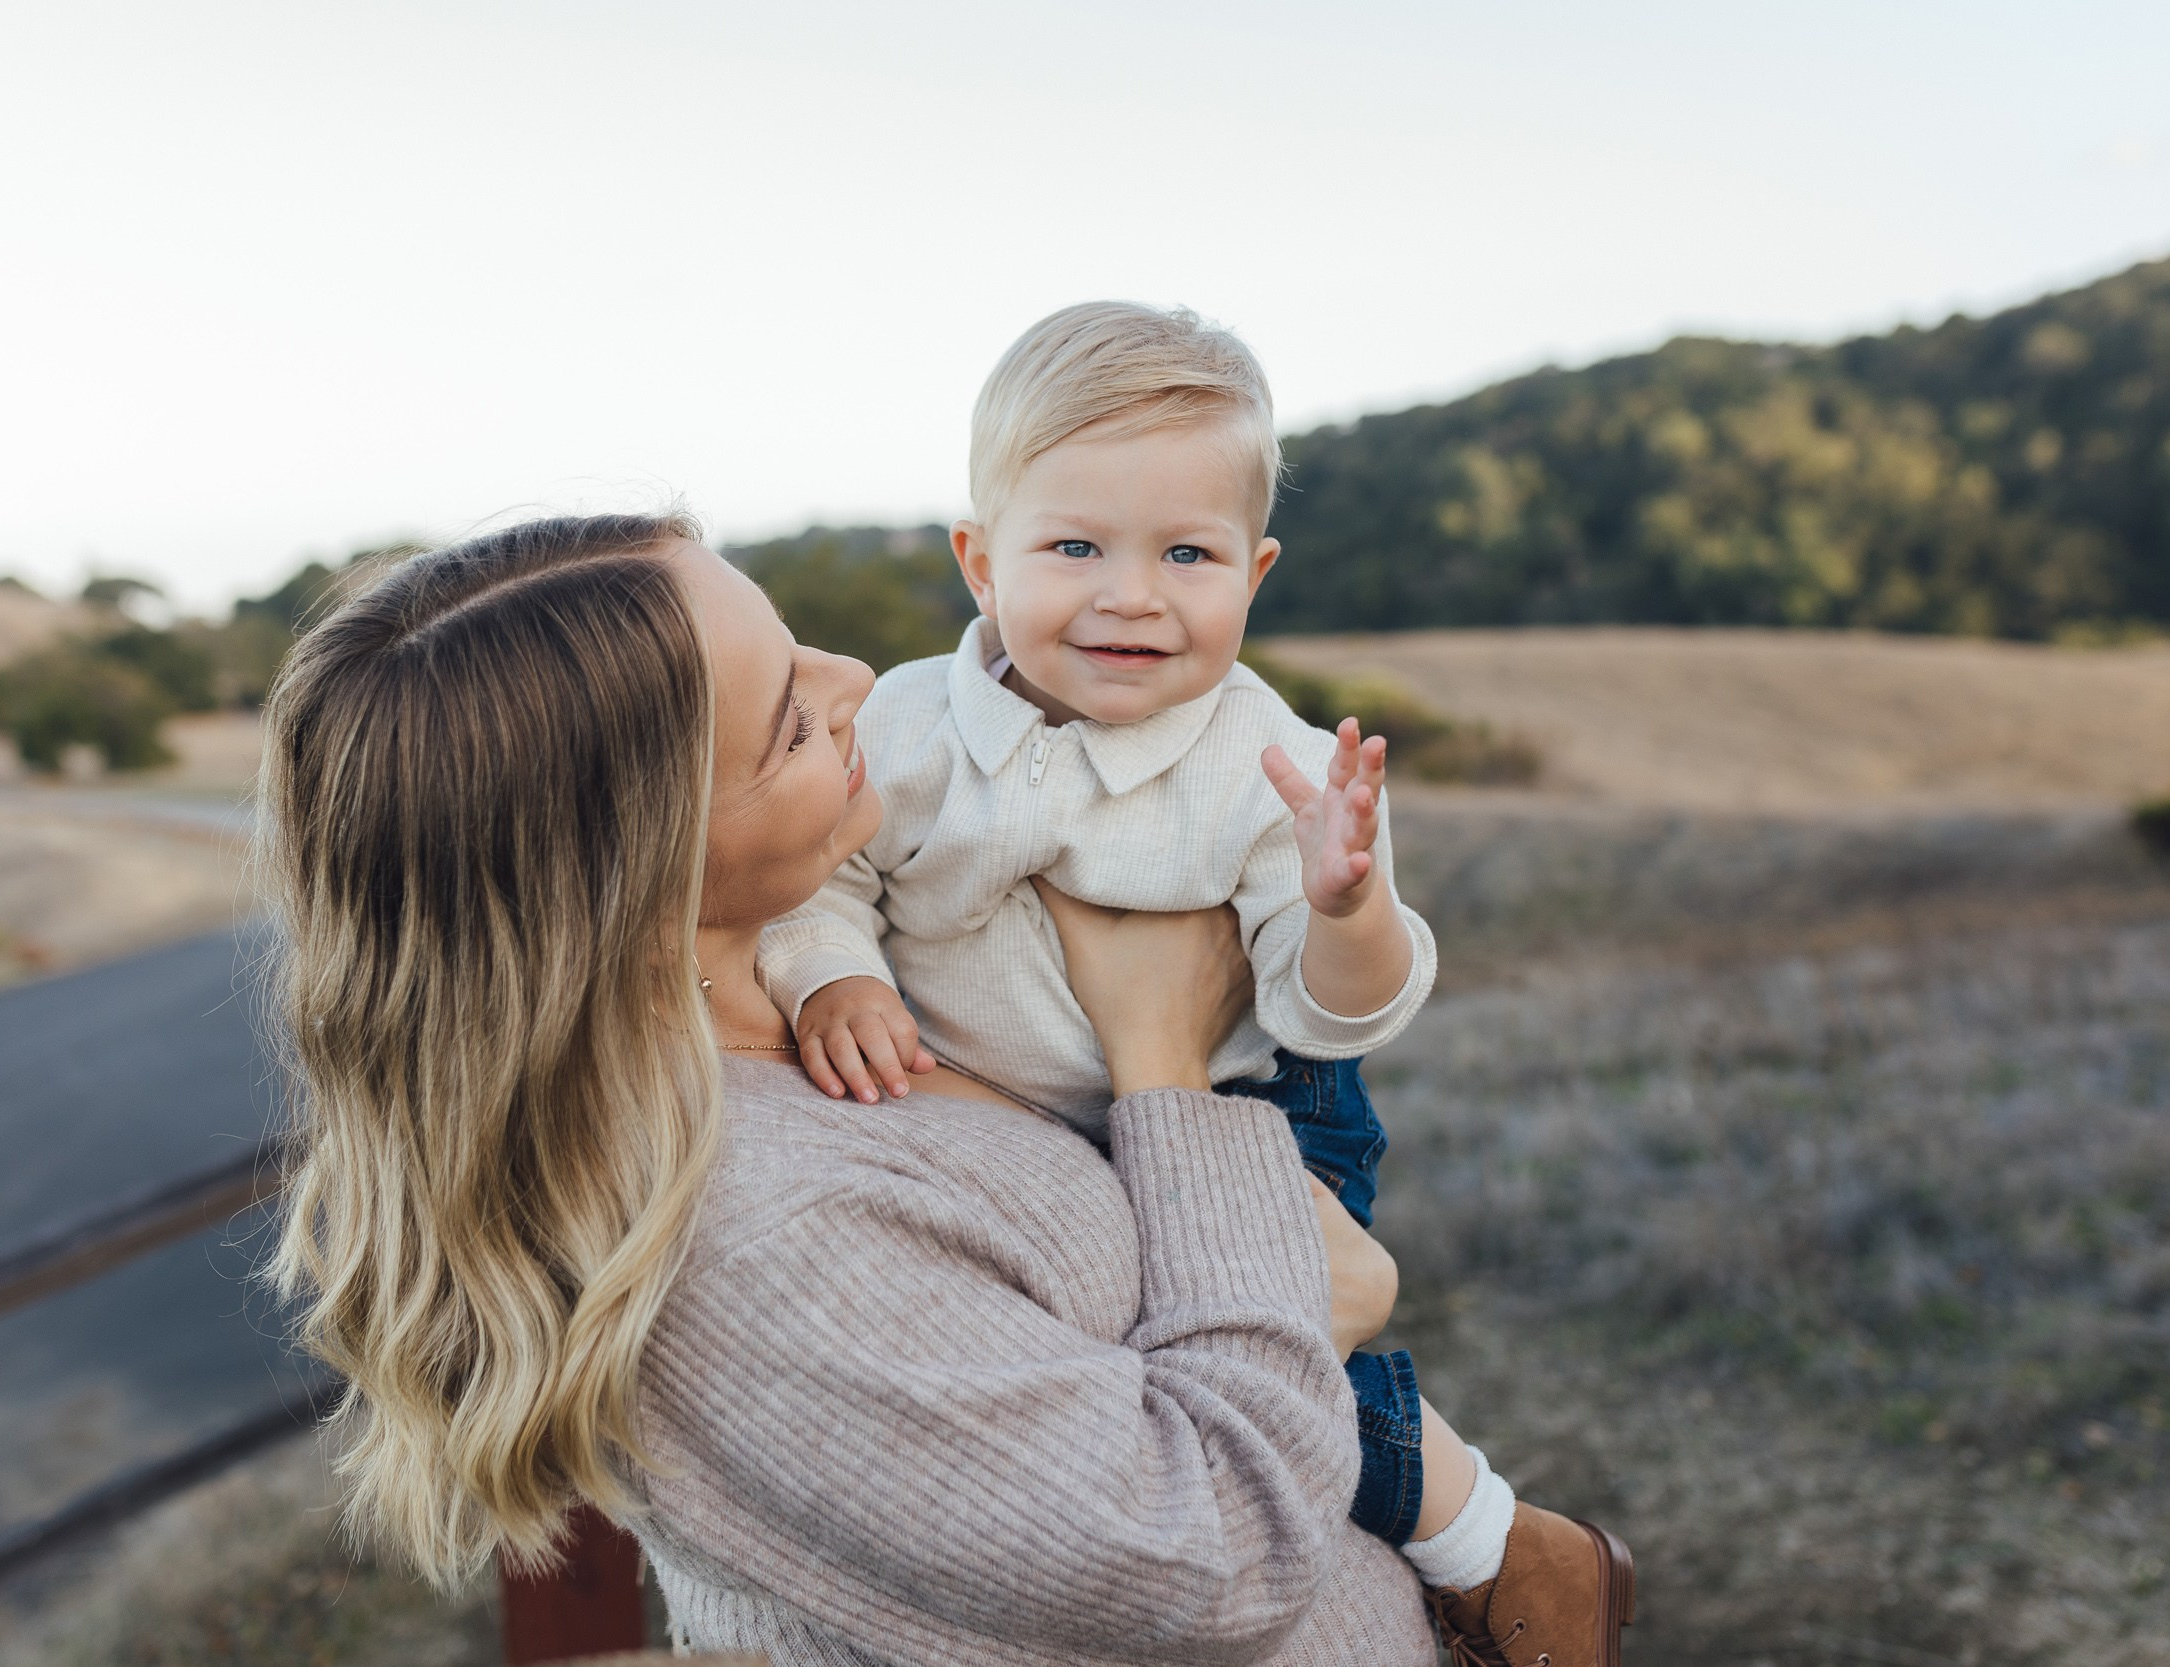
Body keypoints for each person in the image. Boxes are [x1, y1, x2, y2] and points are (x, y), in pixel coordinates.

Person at [260, 514, 1457, 1665]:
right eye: (790, 722)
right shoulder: (754, 1238)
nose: (858, 681)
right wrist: (1170, 1071)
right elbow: (1217, 1559)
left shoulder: (828, 978)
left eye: (802, 647)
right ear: (633, 872)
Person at [757, 302, 1631, 1663]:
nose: (1131, 592)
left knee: (1270, 1366)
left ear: (1255, 570)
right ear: (979, 559)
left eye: (1186, 552)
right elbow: (823, 882)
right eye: (1074, 546)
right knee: (1126, 1382)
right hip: (1026, 1125)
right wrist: (832, 981)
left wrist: (1348, 906)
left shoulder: (1263, 762)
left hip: (1246, 1111)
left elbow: (1327, 1005)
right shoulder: (906, 727)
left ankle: (1504, 1554)